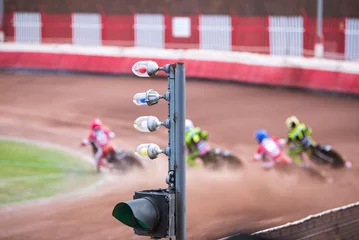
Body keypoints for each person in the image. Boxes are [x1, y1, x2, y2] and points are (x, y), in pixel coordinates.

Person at [285, 115, 352, 168]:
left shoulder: (290, 134)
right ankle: (342, 163)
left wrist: (291, 144)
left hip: (308, 150)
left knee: (320, 159)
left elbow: (288, 143)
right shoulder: (302, 126)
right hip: (313, 145)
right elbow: (309, 131)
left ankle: (301, 164)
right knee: (328, 152)